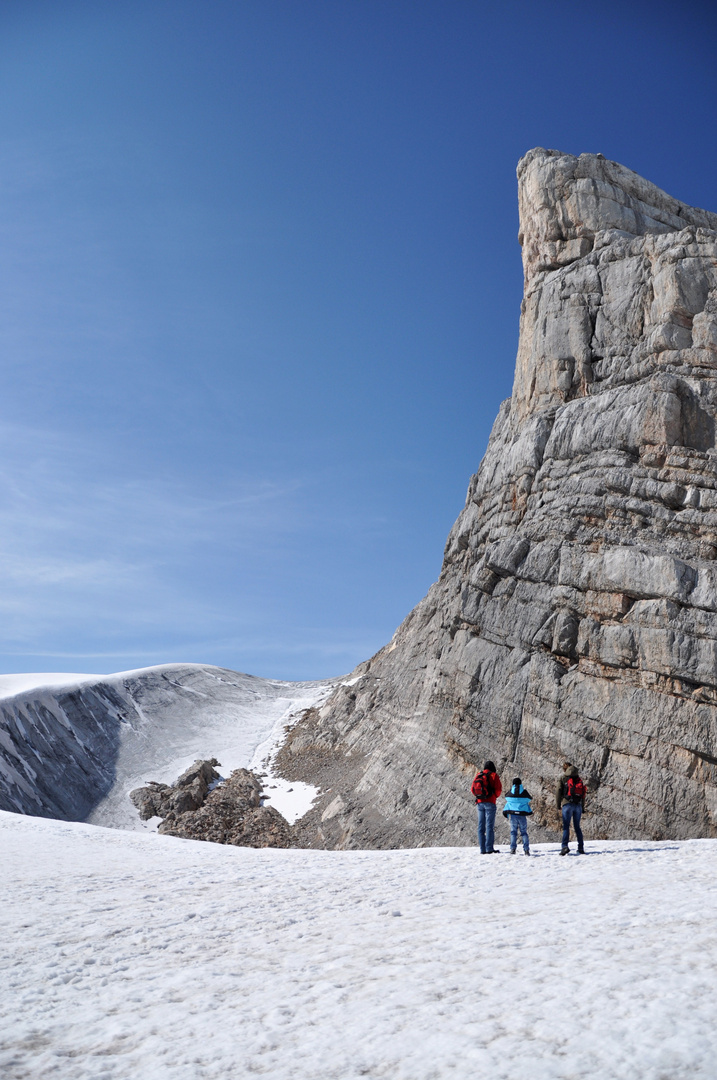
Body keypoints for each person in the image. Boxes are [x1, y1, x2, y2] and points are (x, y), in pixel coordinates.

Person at [471, 760, 502, 854]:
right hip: (490, 803)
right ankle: (489, 848)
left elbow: (473, 789)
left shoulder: (478, 775)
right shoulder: (494, 775)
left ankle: (482, 849)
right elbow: (498, 790)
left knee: (481, 826)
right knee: (489, 826)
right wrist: (493, 796)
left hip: (479, 803)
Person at [556, 762, 586, 855]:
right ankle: (580, 848)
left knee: (566, 827)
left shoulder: (563, 778)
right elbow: (583, 794)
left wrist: (558, 805)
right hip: (578, 805)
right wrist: (582, 807)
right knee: (577, 827)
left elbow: (558, 791)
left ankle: (565, 846)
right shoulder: (578, 779)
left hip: (567, 804)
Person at [502, 777, 532, 855]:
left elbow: (506, 797)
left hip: (513, 815)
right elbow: (529, 799)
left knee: (513, 832)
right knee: (524, 832)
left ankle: (513, 849)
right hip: (522, 815)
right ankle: (526, 850)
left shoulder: (510, 793)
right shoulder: (524, 792)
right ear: (521, 783)